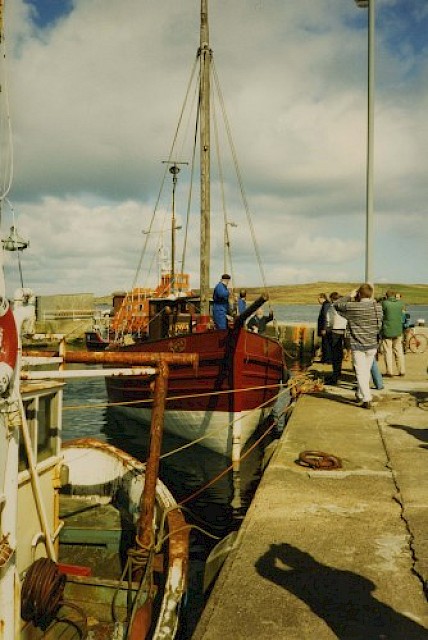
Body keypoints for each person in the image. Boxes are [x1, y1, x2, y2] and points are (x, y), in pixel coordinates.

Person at [333, 284, 383, 409]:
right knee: (366, 371)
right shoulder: (377, 307)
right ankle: (360, 394)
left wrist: (350, 295)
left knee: (360, 372)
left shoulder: (352, 307)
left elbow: (336, 304)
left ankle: (367, 398)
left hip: (357, 344)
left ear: (359, 294)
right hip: (372, 343)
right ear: (371, 294)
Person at [380, 290, 405, 377]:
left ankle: (389, 371)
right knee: (399, 351)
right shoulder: (400, 303)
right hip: (398, 330)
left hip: (387, 330)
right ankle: (401, 370)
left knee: (388, 351)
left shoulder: (384, 303)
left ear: (386, 296)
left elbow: (381, 314)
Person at [324, 292, 347, 385]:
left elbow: (329, 319)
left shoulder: (332, 306)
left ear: (333, 299)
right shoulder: (346, 306)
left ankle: (336, 374)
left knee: (336, 353)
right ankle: (339, 372)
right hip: (346, 330)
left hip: (336, 331)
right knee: (344, 352)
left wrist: (327, 328)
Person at [317, 293, 332, 363]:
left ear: (322, 298)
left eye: (318, 299)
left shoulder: (326, 305)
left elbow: (326, 317)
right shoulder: (326, 304)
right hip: (326, 328)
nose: (318, 301)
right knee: (325, 344)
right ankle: (325, 358)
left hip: (325, 329)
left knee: (326, 344)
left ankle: (327, 359)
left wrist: (324, 328)